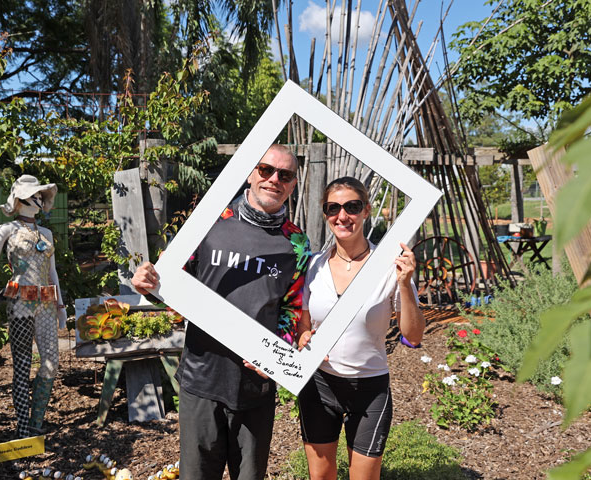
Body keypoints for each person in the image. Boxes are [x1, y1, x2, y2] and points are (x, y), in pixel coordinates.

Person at [132, 145, 311, 480]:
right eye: (265, 170)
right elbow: (173, 283)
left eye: (284, 175)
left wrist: (273, 355)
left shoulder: (297, 244)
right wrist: (149, 284)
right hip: (202, 377)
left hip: (254, 386)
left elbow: (292, 309)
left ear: (293, 184)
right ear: (249, 173)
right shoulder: (210, 222)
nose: (274, 179)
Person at [296, 176, 425, 480]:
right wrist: (303, 337)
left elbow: (414, 335)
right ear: (325, 213)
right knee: (321, 476)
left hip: (369, 388)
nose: (343, 216)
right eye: (333, 208)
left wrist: (405, 283)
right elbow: (303, 324)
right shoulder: (313, 266)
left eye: (352, 207)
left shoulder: (389, 267)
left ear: (366, 210)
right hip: (319, 385)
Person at [0, 174, 67, 438]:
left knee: (51, 362)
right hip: (20, 305)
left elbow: (53, 272)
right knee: (22, 366)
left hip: (47, 304)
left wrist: (61, 307)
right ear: (19, 199)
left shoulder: (47, 233)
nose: (38, 198)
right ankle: (22, 430)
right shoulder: (7, 230)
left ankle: (36, 423)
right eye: (34, 194)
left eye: (41, 195)